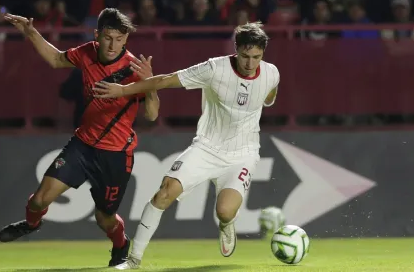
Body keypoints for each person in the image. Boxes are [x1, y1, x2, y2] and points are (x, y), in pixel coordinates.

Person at [93, 21, 279, 270]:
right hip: (206, 148)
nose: (250, 63)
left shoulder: (272, 73)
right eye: (245, 56)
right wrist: (124, 90)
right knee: (164, 192)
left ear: (263, 54)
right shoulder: (214, 68)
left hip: (243, 154)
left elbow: (269, 94)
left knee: (225, 211)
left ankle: (226, 225)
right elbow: (167, 80)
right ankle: (133, 259)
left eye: (256, 57)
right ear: (236, 49)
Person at [0, 8, 160, 267]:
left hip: (115, 155)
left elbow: (151, 115)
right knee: (39, 199)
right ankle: (31, 224)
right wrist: (31, 33)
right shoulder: (86, 52)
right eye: (108, 37)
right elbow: (55, 59)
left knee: (104, 218)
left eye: (119, 38)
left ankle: (121, 245)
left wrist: (150, 85)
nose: (112, 44)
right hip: (82, 145)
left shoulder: (134, 70)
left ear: (126, 39)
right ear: (97, 35)